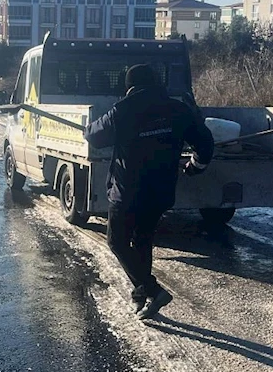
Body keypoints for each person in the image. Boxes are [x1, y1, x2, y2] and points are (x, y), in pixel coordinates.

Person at [84, 64, 214, 319]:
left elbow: (95, 137)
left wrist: (86, 129)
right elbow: (206, 143)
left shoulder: (123, 110)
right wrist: (195, 166)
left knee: (117, 241)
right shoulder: (178, 109)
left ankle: (153, 291)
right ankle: (140, 296)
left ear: (130, 86)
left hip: (128, 193)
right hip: (161, 192)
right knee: (142, 240)